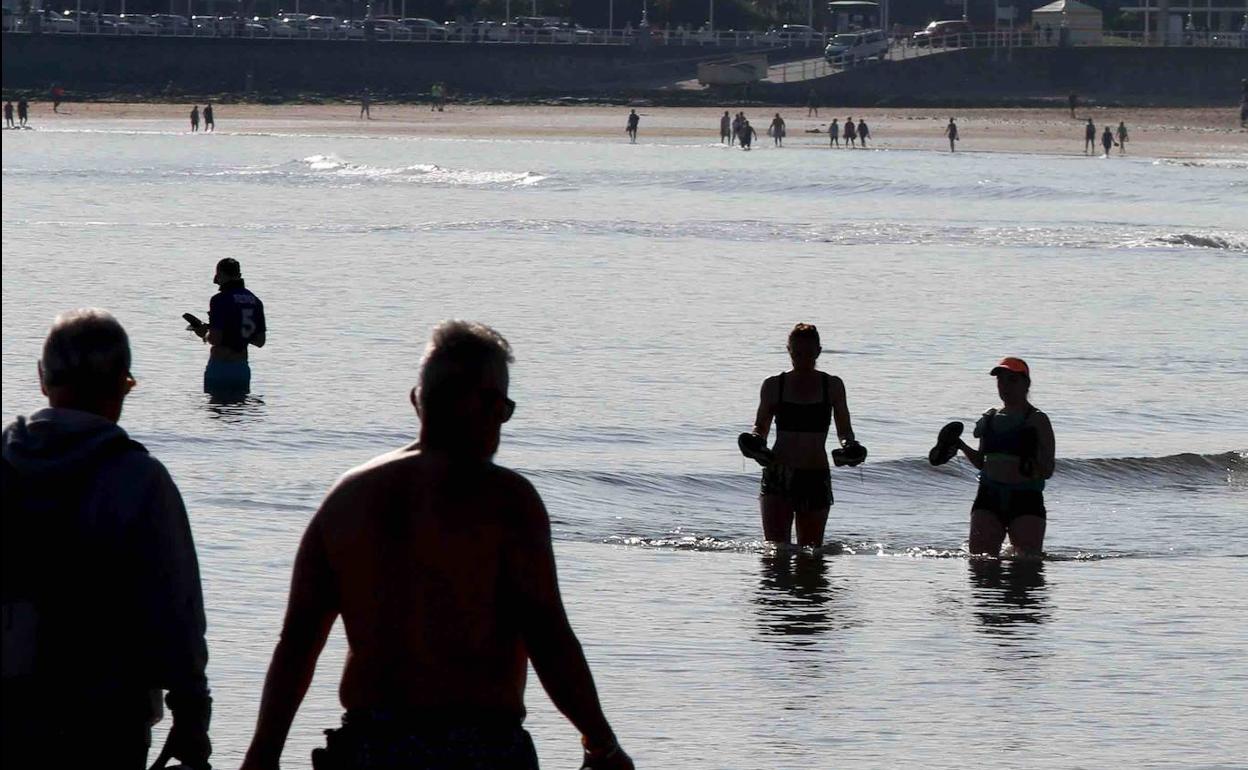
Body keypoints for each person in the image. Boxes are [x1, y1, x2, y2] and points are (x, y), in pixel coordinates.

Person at [238, 321, 633, 770]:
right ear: (482, 403)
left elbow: (298, 644)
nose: (501, 423)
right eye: (502, 408)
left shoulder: (346, 498)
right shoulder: (506, 500)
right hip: (482, 748)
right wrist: (600, 742)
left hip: (370, 747)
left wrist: (263, 753)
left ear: (416, 400)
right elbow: (547, 635)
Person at [1, 309, 212, 769]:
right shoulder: (140, 481)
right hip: (105, 726)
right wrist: (192, 715)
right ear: (122, 384)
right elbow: (177, 611)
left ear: (42, 379)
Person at [747, 324, 859, 548]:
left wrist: (850, 447)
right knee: (776, 551)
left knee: (811, 553)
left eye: (808, 353)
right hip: (778, 474)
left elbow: (844, 430)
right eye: (797, 353)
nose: (803, 359)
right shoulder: (774, 385)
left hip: (815, 475)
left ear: (818, 351)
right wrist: (755, 443)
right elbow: (761, 427)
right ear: (788, 350)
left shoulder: (832, 385)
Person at [950, 357, 1055, 557]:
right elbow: (982, 462)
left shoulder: (1037, 420)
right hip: (988, 497)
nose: (1005, 386)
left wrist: (1024, 461)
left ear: (1026, 384)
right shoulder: (989, 418)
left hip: (1026, 498)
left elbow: (1048, 470)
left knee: (1027, 569)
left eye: (1012, 380)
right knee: (980, 565)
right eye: (1001, 381)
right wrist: (960, 445)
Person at [190, 258, 266, 399]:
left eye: (217, 276)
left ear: (223, 275)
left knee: (217, 415)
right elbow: (260, 341)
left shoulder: (219, 300)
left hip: (220, 368)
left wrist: (204, 333)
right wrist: (237, 333)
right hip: (242, 369)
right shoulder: (255, 301)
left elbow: (215, 339)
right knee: (239, 416)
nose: (215, 281)